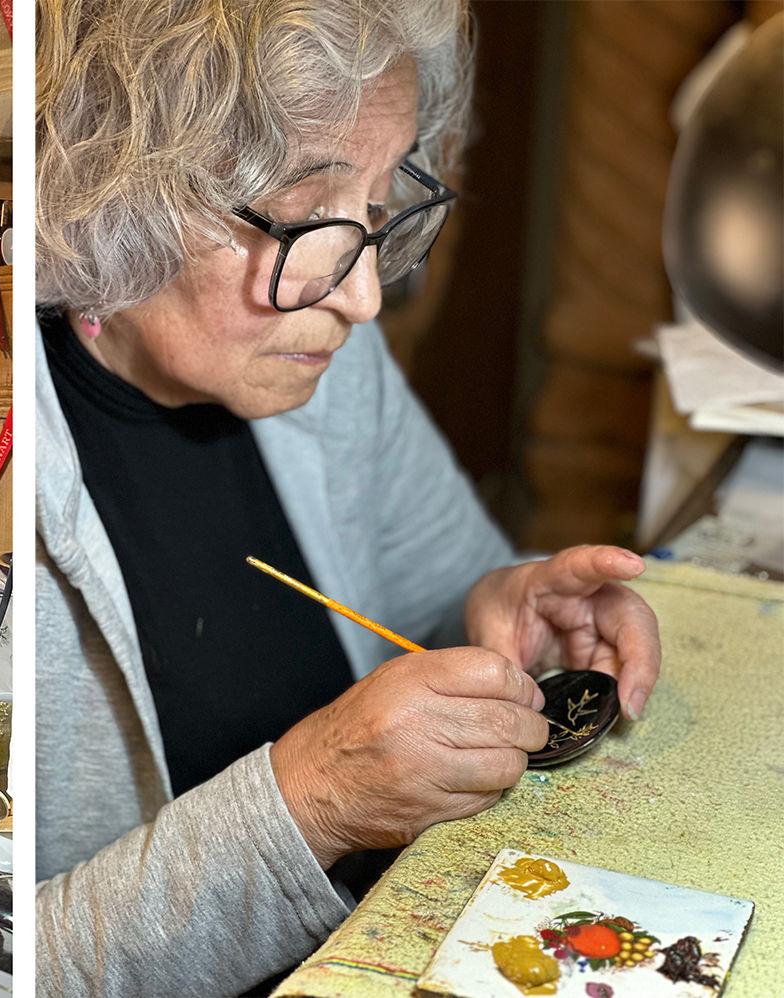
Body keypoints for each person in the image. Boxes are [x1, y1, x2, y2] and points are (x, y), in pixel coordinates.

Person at [34, 1, 662, 993]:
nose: (361, 295)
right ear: (108, 189)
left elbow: (435, 595)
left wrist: (500, 614)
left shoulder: (323, 363)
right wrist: (309, 801)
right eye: (301, 219)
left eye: (375, 212)